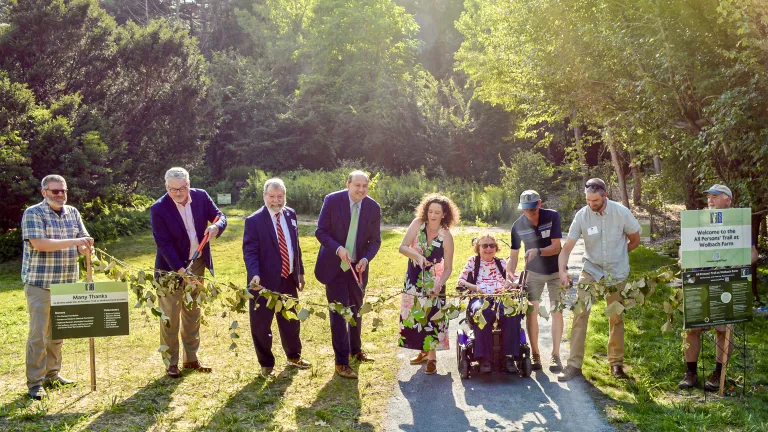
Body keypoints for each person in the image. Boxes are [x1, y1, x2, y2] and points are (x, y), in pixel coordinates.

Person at [556, 178, 641, 381]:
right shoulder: (582, 215)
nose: (591, 204)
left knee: (616, 318)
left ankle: (616, 364)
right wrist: (562, 271)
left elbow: (635, 240)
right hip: (591, 271)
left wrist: (620, 256)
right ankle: (574, 365)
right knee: (580, 314)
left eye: (595, 200)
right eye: (588, 200)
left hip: (616, 274)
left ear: (605, 196)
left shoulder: (621, 212)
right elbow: (567, 248)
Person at [678, 184, 760, 391]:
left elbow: (753, 253)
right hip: (699, 279)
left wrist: (740, 263)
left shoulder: (738, 224)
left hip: (725, 281)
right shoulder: (697, 221)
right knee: (692, 328)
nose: (711, 200)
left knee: (723, 330)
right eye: (709, 196)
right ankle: (691, 373)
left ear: (728, 200)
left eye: (716, 196)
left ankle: (718, 375)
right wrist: (682, 259)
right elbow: (683, 248)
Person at [21, 175, 94, 400]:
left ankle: (52, 375)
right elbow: (40, 244)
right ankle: (35, 383)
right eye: (55, 191)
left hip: (66, 284)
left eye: (63, 191)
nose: (60, 194)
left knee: (57, 334)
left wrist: (86, 247)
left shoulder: (73, 212)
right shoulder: (33, 213)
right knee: (38, 335)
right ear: (44, 192)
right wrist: (74, 242)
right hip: (40, 283)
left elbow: (82, 240)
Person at [150, 167, 227, 378]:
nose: (177, 193)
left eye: (182, 188)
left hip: (197, 265)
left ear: (189, 184)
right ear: (166, 187)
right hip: (170, 269)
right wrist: (181, 270)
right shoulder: (158, 208)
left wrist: (216, 227)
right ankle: (171, 363)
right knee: (170, 316)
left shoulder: (201, 197)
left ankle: (191, 359)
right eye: (172, 189)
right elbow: (163, 244)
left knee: (192, 312)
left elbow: (220, 216)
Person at [315, 171, 382, 379]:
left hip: (357, 269)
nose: (361, 190)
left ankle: (356, 350)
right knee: (339, 313)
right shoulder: (332, 200)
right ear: (348, 185)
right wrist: (337, 249)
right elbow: (321, 231)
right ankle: (341, 363)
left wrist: (366, 259)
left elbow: (375, 241)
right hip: (334, 267)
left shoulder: (373, 207)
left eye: (365, 186)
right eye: (357, 185)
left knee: (356, 310)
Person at [243, 178, 311, 378]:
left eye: (280, 196)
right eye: (272, 196)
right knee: (261, 325)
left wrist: (299, 271)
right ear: (264, 196)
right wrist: (254, 274)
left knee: (291, 320)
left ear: (285, 196)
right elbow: (250, 251)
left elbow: (295, 246)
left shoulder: (291, 214)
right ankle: (266, 364)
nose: (276, 200)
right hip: (262, 283)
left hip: (288, 278)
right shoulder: (254, 220)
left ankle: (294, 356)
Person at [398, 194, 457, 375]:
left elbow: (448, 268)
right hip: (414, 278)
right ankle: (423, 352)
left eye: (437, 212)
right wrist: (417, 256)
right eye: (430, 211)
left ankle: (432, 358)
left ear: (444, 214)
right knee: (416, 316)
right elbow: (402, 247)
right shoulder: (417, 224)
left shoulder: (446, 236)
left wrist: (439, 284)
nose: (432, 215)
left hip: (435, 281)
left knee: (432, 317)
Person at [508, 190, 564, 372]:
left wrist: (537, 251)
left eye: (533, 209)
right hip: (533, 273)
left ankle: (555, 355)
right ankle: (535, 354)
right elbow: (513, 256)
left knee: (556, 311)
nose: (529, 213)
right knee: (532, 311)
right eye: (526, 209)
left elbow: (557, 247)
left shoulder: (552, 216)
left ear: (539, 203)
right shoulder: (517, 226)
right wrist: (509, 273)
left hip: (556, 271)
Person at [457, 234, 520, 374]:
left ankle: (508, 357)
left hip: (500, 297)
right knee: (483, 313)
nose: (488, 248)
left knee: (512, 312)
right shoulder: (473, 261)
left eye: (492, 245)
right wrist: (475, 288)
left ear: (496, 248)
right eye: (484, 245)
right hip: (479, 298)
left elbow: (516, 278)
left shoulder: (501, 262)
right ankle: (484, 359)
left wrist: (513, 284)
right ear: (478, 248)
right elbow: (460, 281)